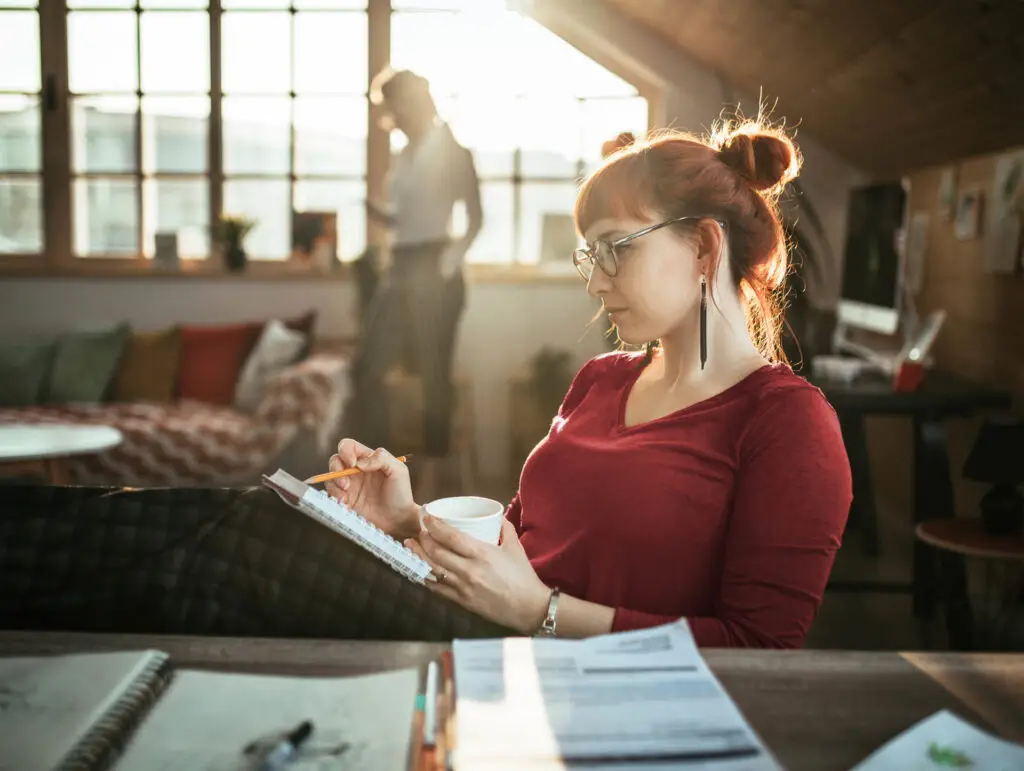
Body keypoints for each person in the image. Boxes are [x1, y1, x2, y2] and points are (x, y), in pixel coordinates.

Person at [328, 120, 852, 648]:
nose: (597, 283)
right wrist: (407, 521)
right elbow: (520, 553)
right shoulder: (600, 379)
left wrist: (541, 612)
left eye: (615, 248)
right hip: (485, 651)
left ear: (703, 246)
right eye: (591, 256)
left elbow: (757, 647)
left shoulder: (786, 425)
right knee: (280, 528)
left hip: (598, 696)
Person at [346, 68, 483, 501]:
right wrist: (379, 216)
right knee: (368, 367)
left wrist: (447, 264)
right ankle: (377, 467)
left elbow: (476, 219)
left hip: (434, 268)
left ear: (416, 100)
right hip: (400, 266)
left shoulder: (454, 151)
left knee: (433, 374)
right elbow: (407, 218)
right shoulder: (404, 156)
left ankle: (432, 477)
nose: (392, 116)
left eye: (396, 106)